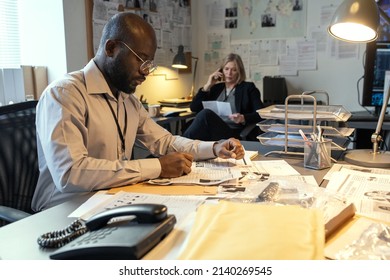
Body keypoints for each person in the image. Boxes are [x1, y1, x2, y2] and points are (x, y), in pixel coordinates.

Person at [32, 13, 245, 211]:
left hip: (110, 200)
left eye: (149, 63)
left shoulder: (128, 101)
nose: (145, 72)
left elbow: (166, 142)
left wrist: (215, 148)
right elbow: (71, 173)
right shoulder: (64, 94)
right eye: (140, 59)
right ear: (111, 48)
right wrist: (157, 167)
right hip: (63, 210)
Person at [183, 53, 264, 141]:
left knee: (205, 114)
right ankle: (182, 146)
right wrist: (207, 86)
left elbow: (260, 114)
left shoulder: (248, 88)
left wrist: (243, 118)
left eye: (234, 70)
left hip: (232, 132)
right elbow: (194, 108)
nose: (229, 73)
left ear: (239, 71)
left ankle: (180, 146)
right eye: (226, 69)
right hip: (211, 130)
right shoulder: (216, 88)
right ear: (221, 71)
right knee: (203, 117)